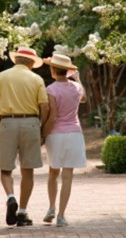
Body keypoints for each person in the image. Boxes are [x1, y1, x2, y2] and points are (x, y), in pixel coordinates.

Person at [0, 47, 49, 227]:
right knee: (27, 169)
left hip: (7, 122)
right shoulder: (37, 79)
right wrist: (41, 128)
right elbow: (45, 108)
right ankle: (22, 213)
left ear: (16, 60)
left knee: (6, 168)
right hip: (31, 123)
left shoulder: (3, 76)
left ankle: (10, 197)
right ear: (31, 63)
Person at [41, 53, 87, 227]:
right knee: (67, 176)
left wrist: (43, 134)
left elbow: (52, 117)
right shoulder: (76, 87)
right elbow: (84, 99)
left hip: (55, 134)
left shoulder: (50, 90)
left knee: (53, 172)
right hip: (74, 133)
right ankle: (61, 215)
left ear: (53, 70)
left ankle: (51, 207)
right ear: (67, 71)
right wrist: (78, 79)